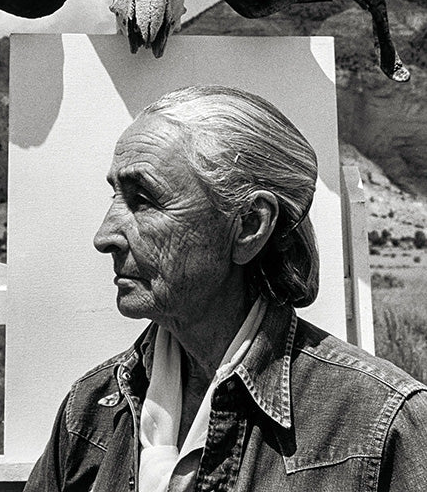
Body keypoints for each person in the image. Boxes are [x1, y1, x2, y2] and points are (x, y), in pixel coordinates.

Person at [25, 85, 427, 491]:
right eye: (115, 196)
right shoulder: (90, 409)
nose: (104, 235)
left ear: (250, 226)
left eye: (143, 200)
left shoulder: (379, 424)